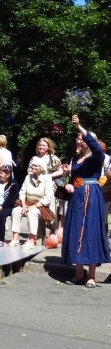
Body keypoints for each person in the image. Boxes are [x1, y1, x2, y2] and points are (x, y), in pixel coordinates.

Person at [61, 115, 110, 288]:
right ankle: (78, 273)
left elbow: (96, 148)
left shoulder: (97, 157)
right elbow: (74, 179)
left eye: (83, 139)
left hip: (92, 195)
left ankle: (91, 275)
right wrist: (68, 183)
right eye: (78, 139)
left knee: (91, 231)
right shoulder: (75, 159)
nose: (80, 141)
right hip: (77, 196)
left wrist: (79, 126)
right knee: (76, 231)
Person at [9, 158, 53, 248]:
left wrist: (33, 207)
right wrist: (24, 205)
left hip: (41, 206)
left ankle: (31, 240)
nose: (33, 167)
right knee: (16, 211)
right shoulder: (28, 177)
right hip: (27, 203)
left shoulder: (47, 178)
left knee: (32, 213)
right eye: (32, 165)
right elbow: (22, 192)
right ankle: (15, 238)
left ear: (41, 168)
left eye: (35, 165)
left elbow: (48, 198)